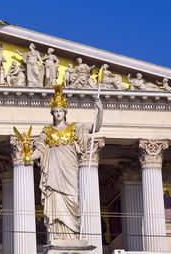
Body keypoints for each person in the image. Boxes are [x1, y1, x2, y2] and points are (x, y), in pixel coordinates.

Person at [30, 85, 103, 241]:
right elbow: (40, 149)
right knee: (55, 199)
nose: (58, 114)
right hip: (54, 171)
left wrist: (100, 110)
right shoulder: (47, 131)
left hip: (69, 170)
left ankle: (74, 234)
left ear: (65, 113)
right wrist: (29, 157)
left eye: (60, 111)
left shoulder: (74, 128)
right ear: (52, 113)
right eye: (55, 111)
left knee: (72, 200)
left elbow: (95, 127)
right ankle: (57, 234)